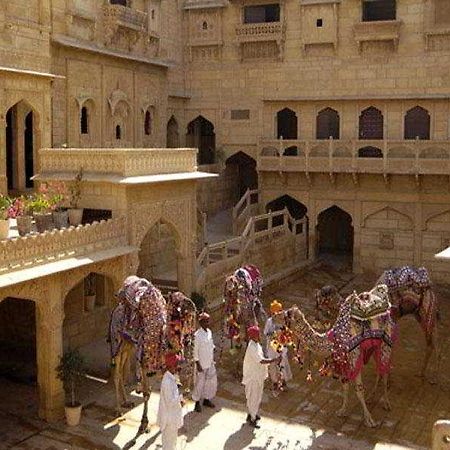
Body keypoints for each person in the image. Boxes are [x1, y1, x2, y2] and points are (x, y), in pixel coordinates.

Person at [242, 325, 281, 428]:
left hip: (258, 375)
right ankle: (252, 418)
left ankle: (252, 414)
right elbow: (261, 360)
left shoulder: (256, 345)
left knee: (257, 396)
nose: (259, 336)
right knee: (253, 397)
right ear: (253, 336)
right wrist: (273, 360)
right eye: (257, 334)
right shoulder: (251, 347)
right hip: (253, 376)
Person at [264, 300, 293, 394]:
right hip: (272, 349)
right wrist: (273, 334)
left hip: (281, 348)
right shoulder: (269, 322)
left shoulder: (284, 322)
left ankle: (283, 382)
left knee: (282, 365)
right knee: (273, 367)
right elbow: (265, 333)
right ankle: (275, 383)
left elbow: (288, 334)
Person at [157, 353, 184, 450]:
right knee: (169, 444)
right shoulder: (167, 382)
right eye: (176, 365)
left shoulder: (171, 378)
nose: (178, 367)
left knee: (172, 443)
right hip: (169, 419)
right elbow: (170, 402)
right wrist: (180, 398)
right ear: (171, 366)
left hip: (172, 417)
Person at [192, 311, 217, 412]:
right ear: (201, 323)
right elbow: (195, 351)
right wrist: (197, 364)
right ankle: (197, 402)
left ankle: (207, 399)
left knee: (210, 382)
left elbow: (211, 345)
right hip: (201, 364)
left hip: (210, 362)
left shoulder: (209, 332)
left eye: (208, 321)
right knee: (199, 383)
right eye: (206, 321)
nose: (208, 323)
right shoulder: (197, 335)